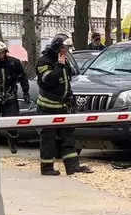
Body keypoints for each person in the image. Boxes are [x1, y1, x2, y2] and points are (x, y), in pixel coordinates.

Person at [36, 33, 92, 176]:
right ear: (56, 47)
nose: (66, 51)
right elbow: (47, 81)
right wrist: (59, 66)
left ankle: (72, 166)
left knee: (68, 137)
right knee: (48, 139)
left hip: (64, 107)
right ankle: (47, 168)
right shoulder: (44, 62)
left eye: (67, 48)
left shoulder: (63, 60)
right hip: (48, 108)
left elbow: (68, 79)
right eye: (64, 48)